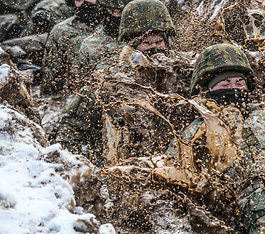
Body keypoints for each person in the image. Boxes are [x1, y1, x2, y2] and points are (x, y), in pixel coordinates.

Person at [166, 43, 265, 234]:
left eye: (240, 82)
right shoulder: (196, 131)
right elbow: (171, 173)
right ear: (207, 90)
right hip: (241, 203)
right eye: (224, 84)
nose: (234, 88)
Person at [55, 0, 176, 164]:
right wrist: (76, 165)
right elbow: (71, 125)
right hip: (121, 163)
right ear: (133, 45)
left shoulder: (178, 72)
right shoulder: (110, 79)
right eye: (146, 43)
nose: (153, 48)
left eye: (158, 42)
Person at [41, 0, 102, 94]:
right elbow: (52, 73)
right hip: (76, 95)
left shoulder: (114, 28)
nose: (84, 3)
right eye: (78, 0)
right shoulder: (61, 31)